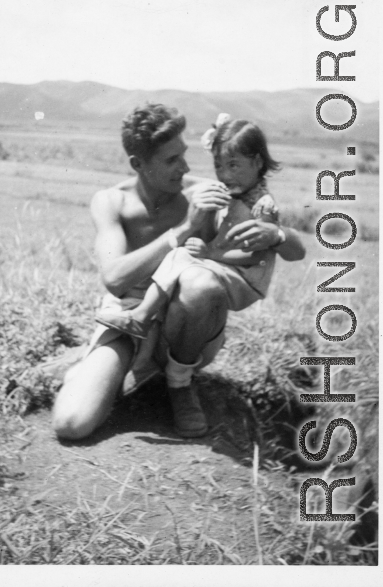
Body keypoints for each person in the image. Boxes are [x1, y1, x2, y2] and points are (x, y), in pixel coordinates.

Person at [51, 104, 305, 440]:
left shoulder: (206, 193)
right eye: (172, 160)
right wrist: (184, 229)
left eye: (183, 155)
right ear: (138, 164)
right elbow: (114, 279)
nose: (185, 167)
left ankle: (179, 386)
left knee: (201, 283)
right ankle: (99, 369)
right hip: (130, 323)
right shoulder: (111, 202)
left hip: (185, 328)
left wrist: (279, 235)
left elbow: (287, 247)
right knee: (72, 424)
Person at [96, 114, 283, 340]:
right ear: (137, 164)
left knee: (183, 258)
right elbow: (113, 279)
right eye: (219, 166)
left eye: (233, 165)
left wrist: (211, 252)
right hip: (226, 269)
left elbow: (255, 255)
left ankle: (143, 316)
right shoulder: (232, 192)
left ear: (258, 162)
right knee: (180, 254)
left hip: (245, 278)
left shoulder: (262, 205)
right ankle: (143, 319)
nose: (224, 175)